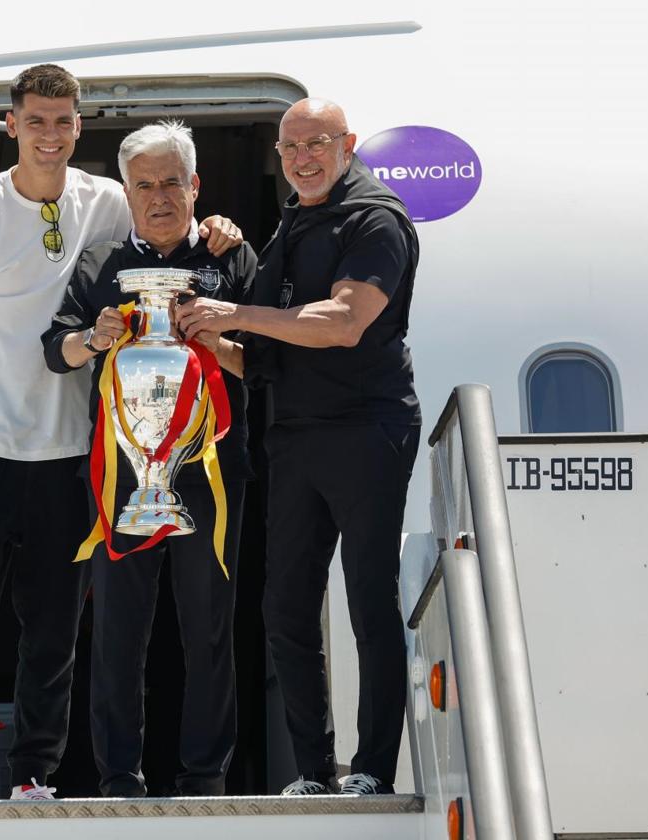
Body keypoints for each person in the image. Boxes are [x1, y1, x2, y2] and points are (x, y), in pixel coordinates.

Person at [0, 64, 242, 801]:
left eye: (63, 122)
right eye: (36, 121)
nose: (51, 135)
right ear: (11, 127)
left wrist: (219, 228)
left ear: (78, 126)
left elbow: (175, 228)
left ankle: (33, 774)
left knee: (54, 634)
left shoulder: (111, 205)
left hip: (74, 457)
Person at [177, 97, 421, 796]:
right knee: (285, 607)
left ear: (346, 145)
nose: (302, 159)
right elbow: (263, 359)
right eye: (289, 148)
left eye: (316, 144)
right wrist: (199, 335)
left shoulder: (375, 219)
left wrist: (241, 313)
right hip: (294, 433)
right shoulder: (296, 219)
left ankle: (372, 769)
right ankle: (314, 772)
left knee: (368, 601)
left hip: (367, 429)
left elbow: (343, 323)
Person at [40, 120, 255, 797]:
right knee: (117, 632)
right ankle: (118, 776)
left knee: (210, 629)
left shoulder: (234, 259)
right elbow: (55, 349)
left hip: (213, 474)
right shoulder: (101, 266)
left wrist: (216, 339)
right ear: (126, 194)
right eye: (144, 186)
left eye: (171, 183)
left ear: (195, 186)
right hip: (121, 476)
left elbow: (272, 363)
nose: (159, 198)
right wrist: (93, 338)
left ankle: (204, 777)